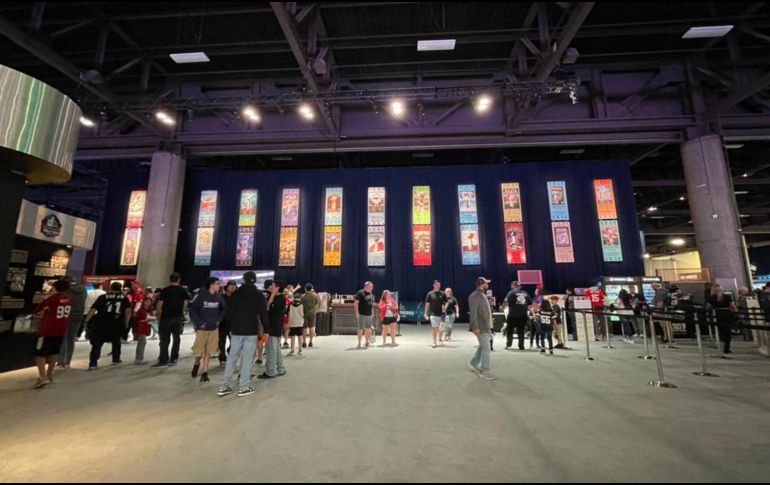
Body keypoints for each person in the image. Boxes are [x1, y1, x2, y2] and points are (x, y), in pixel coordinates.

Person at [218, 272, 268, 397]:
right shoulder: (259, 295)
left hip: (236, 330)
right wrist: (267, 329)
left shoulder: (235, 295)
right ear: (254, 281)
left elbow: (228, 313)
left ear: (243, 280)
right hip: (251, 330)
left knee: (232, 358)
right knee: (247, 359)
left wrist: (229, 327)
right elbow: (263, 314)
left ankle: (225, 386)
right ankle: (244, 387)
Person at [31, 279, 72, 388]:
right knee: (54, 352)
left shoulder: (51, 298)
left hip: (46, 330)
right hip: (60, 329)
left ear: (54, 287)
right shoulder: (69, 298)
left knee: (40, 353)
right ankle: (49, 375)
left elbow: (36, 310)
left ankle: (42, 377)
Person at [85, 282, 132, 370]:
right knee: (116, 341)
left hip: (101, 322)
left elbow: (93, 309)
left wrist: (87, 320)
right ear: (120, 288)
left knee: (97, 343)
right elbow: (128, 311)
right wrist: (126, 322)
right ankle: (116, 359)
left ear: (111, 288)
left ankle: (93, 363)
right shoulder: (124, 298)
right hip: (117, 322)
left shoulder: (103, 297)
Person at [189, 277, 226, 383]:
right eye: (217, 283)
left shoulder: (219, 297)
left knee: (209, 352)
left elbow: (223, 310)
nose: (219, 285)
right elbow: (193, 311)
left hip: (214, 329)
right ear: (211, 285)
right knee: (199, 352)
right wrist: (200, 323)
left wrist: (218, 320)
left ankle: (205, 373)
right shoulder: (201, 297)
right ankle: (197, 363)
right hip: (202, 329)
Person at [152, 273, 190, 368]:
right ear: (179, 280)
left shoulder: (165, 290)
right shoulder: (183, 290)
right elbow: (185, 302)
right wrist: (182, 312)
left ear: (170, 280)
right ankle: (174, 358)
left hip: (165, 317)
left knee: (164, 339)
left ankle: (163, 359)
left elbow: (160, 303)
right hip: (177, 317)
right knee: (176, 338)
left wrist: (157, 314)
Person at [260, 280, 288, 379]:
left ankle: (271, 372)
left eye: (272, 286)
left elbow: (267, 307)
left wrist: (272, 294)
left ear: (277, 287)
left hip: (274, 327)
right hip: (273, 327)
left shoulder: (281, 298)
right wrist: (272, 294)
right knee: (276, 349)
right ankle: (281, 368)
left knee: (271, 350)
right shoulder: (273, 297)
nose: (270, 288)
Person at [57, 276, 87, 368]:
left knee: (63, 338)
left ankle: (61, 361)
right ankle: (67, 361)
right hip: (78, 316)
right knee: (71, 339)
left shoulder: (66, 290)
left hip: (66, 316)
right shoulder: (83, 289)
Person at [468, 277, 494, 380]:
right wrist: (475, 327)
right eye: (486, 283)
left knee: (483, 346)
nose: (488, 285)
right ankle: (485, 371)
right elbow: (473, 313)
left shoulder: (481, 295)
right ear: (482, 284)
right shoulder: (475, 296)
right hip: (481, 327)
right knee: (486, 348)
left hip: (485, 326)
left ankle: (473, 362)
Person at [709, 284, 738, 355]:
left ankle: (721, 347)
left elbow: (708, 307)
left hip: (717, 314)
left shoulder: (711, 297)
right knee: (728, 331)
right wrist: (736, 313)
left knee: (720, 331)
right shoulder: (727, 296)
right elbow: (733, 306)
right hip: (727, 314)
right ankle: (727, 347)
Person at [504, 282, 531, 351]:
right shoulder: (525, 293)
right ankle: (521, 346)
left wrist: (502, 307)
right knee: (521, 331)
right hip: (523, 315)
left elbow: (506, 301)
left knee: (510, 330)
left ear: (514, 286)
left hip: (513, 315)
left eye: (512, 285)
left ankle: (509, 344)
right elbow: (530, 303)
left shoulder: (511, 292)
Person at [218, 281, 237, 367]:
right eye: (230, 286)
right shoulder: (221, 297)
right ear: (227, 287)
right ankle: (222, 359)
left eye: (234, 286)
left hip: (233, 324)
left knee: (234, 342)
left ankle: (229, 351)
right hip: (222, 323)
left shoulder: (238, 298)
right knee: (221, 342)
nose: (232, 287)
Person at [424, 280, 447, 348]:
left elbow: (447, 302)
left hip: (442, 314)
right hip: (433, 314)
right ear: (434, 285)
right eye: (437, 284)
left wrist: (445, 307)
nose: (438, 286)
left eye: (439, 285)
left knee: (441, 329)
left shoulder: (443, 293)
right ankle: (434, 342)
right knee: (434, 328)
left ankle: (440, 339)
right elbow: (427, 304)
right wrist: (425, 313)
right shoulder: (430, 294)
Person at [354, 281, 375, 349]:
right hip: (362, 314)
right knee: (360, 329)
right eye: (371, 286)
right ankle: (359, 343)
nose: (372, 287)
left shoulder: (371, 294)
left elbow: (371, 304)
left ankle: (366, 342)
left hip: (369, 315)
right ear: (367, 286)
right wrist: (357, 313)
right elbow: (356, 303)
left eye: (372, 286)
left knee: (368, 329)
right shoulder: (360, 292)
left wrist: (372, 311)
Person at [133, 296, 153, 365]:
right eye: (147, 301)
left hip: (146, 327)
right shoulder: (140, 310)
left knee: (142, 343)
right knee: (142, 342)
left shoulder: (150, 310)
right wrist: (146, 320)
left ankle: (139, 358)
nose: (148, 303)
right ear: (143, 302)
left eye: (149, 302)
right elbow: (138, 320)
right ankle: (138, 359)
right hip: (141, 328)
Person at [300, 284, 320, 348]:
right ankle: (311, 342)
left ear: (305, 289)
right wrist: (315, 311)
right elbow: (318, 304)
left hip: (304, 313)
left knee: (304, 328)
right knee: (311, 327)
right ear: (312, 288)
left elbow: (300, 305)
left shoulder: (303, 296)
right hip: (312, 313)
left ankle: (304, 342)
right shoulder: (315, 295)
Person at [287, 290, 305, 356]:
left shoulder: (290, 304)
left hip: (292, 322)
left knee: (292, 336)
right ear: (300, 298)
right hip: (299, 322)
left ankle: (292, 349)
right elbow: (302, 314)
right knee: (300, 336)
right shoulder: (301, 304)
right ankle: (300, 349)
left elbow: (288, 313)